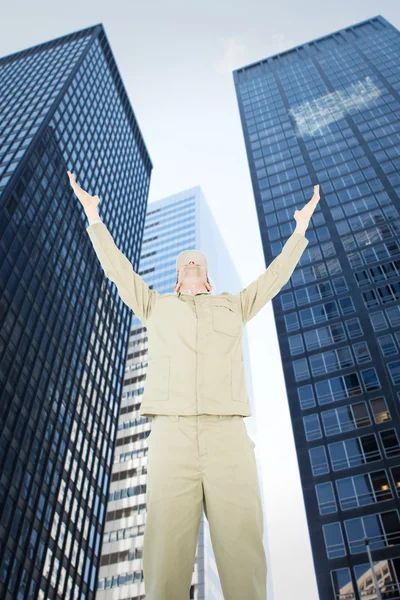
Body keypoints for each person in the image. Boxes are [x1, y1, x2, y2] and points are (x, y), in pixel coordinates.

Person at [68, 170, 320, 600]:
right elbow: (117, 270)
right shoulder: (155, 304)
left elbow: (274, 277)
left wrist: (299, 230)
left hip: (227, 435)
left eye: (197, 263)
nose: (190, 264)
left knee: (243, 554)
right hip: (172, 433)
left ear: (208, 280)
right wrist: (93, 217)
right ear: (176, 279)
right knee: (164, 556)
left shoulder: (234, 305)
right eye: (185, 262)